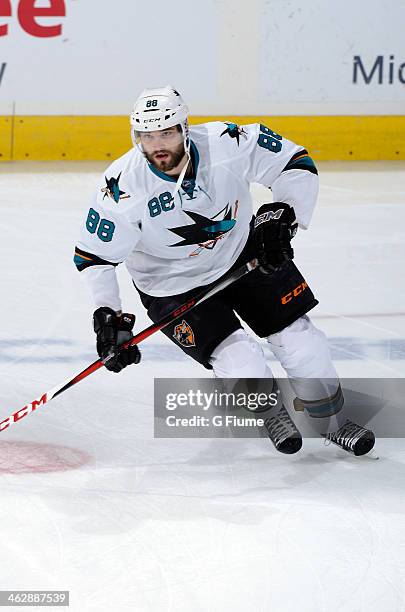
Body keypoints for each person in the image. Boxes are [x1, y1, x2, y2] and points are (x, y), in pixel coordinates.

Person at [74, 85, 374, 456]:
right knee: (240, 361)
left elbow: (294, 162)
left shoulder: (227, 142)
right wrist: (109, 317)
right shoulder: (121, 187)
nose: (158, 145)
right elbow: (94, 257)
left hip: (243, 253)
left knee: (302, 341)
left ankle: (330, 422)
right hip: (172, 285)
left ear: (185, 128)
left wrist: (284, 212)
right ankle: (270, 414)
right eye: (147, 136)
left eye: (166, 132)